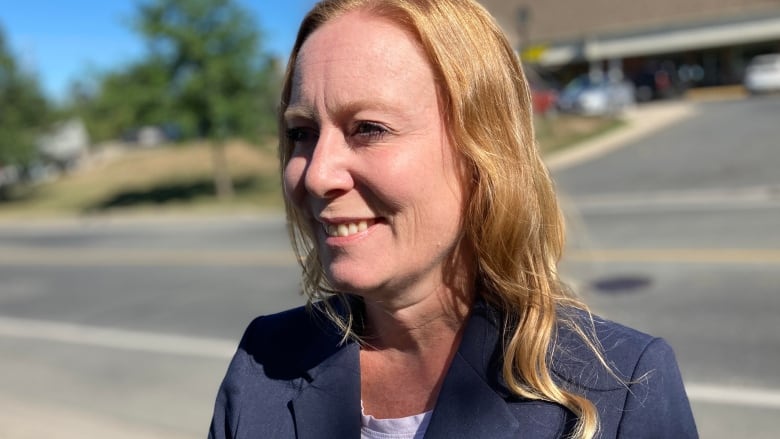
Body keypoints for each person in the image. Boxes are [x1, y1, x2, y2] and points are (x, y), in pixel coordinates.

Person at [209, 1, 698, 438]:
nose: (317, 175)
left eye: (369, 129)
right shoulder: (263, 360)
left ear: (482, 152)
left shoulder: (620, 387)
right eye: (302, 132)